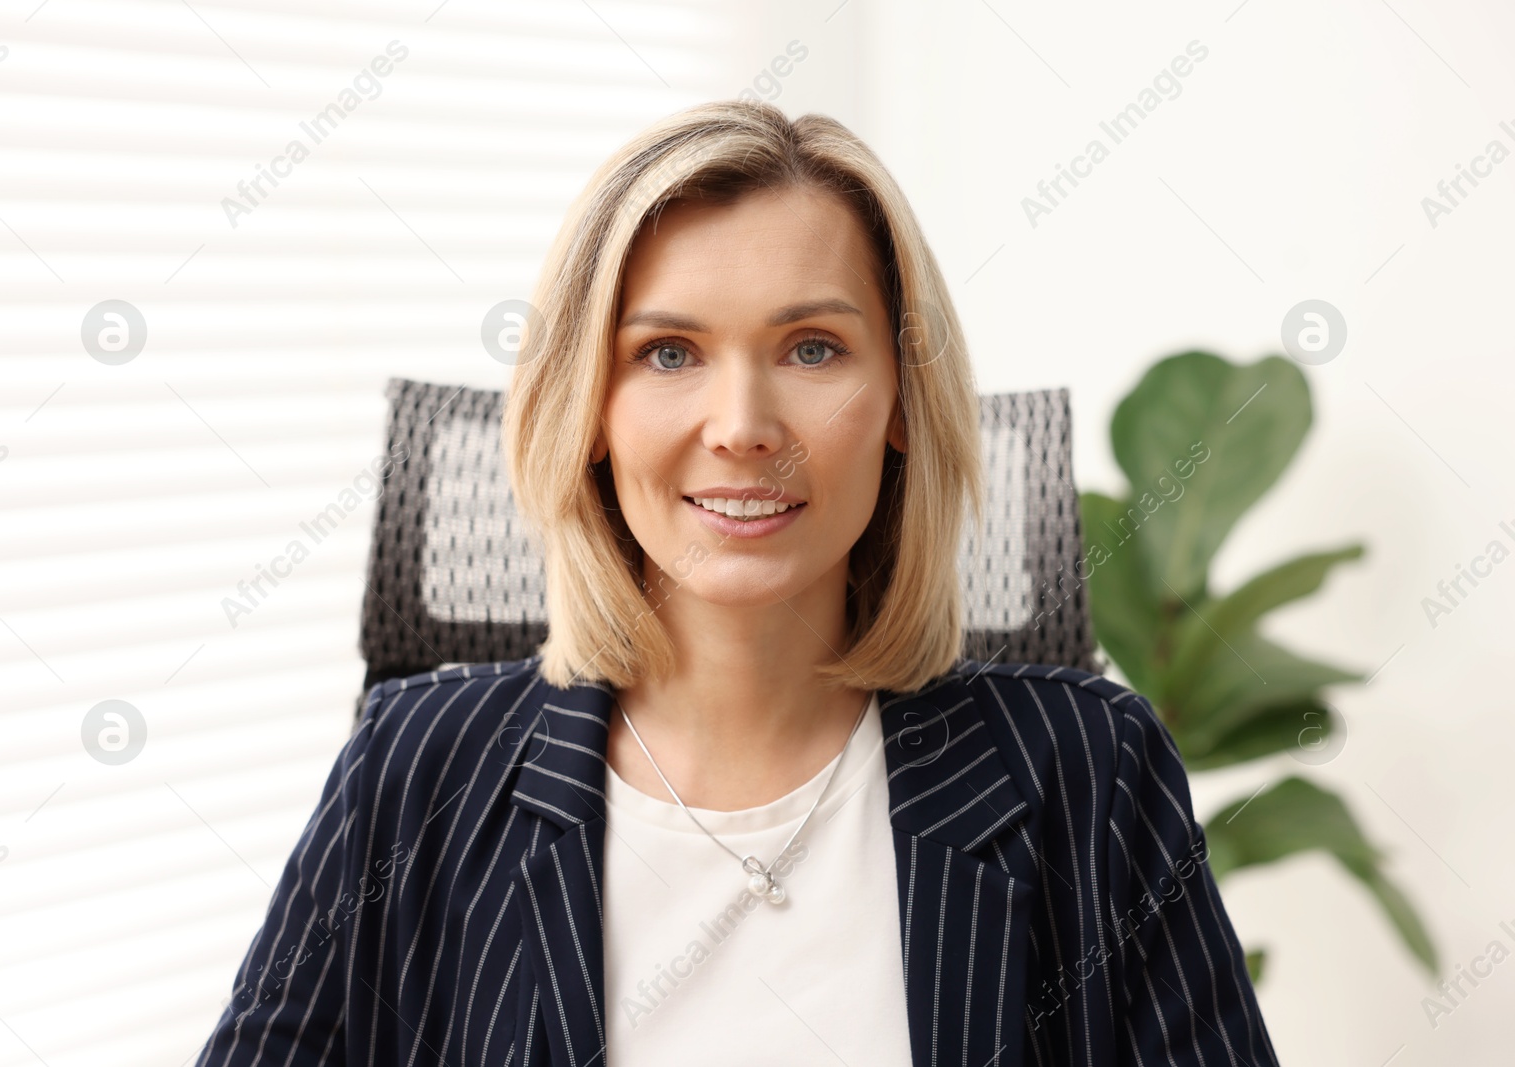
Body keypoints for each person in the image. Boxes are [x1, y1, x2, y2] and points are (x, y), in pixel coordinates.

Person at [195, 99, 1278, 1066]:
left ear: (903, 399)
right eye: (668, 353)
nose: (744, 428)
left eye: (812, 349)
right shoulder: (415, 768)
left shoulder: (1092, 771)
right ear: (589, 412)